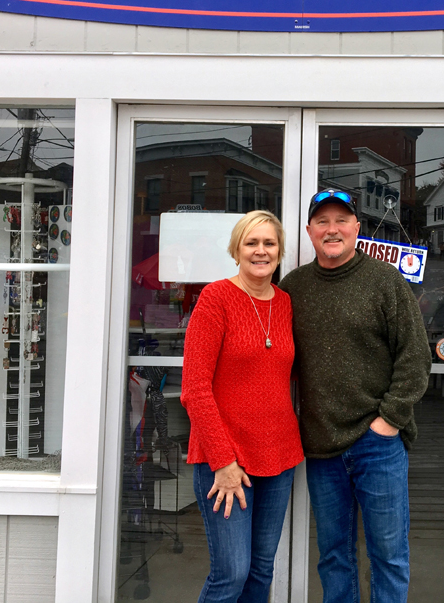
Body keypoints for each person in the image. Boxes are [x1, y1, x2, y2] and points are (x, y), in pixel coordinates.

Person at [279, 189, 431, 603]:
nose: (332, 229)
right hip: (321, 446)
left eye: (341, 220)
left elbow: (415, 358)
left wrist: (388, 422)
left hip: (376, 443)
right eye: (322, 222)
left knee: (388, 554)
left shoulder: (385, 281)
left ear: (356, 228)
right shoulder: (292, 288)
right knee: (334, 556)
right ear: (309, 231)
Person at [181, 210, 304, 603]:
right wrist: (222, 461)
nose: (261, 251)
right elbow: (194, 389)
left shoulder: (285, 304)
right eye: (252, 242)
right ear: (236, 249)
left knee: (260, 571)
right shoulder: (216, 298)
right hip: (226, 462)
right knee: (230, 574)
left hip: (279, 457)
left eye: (269, 243)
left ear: (280, 251)